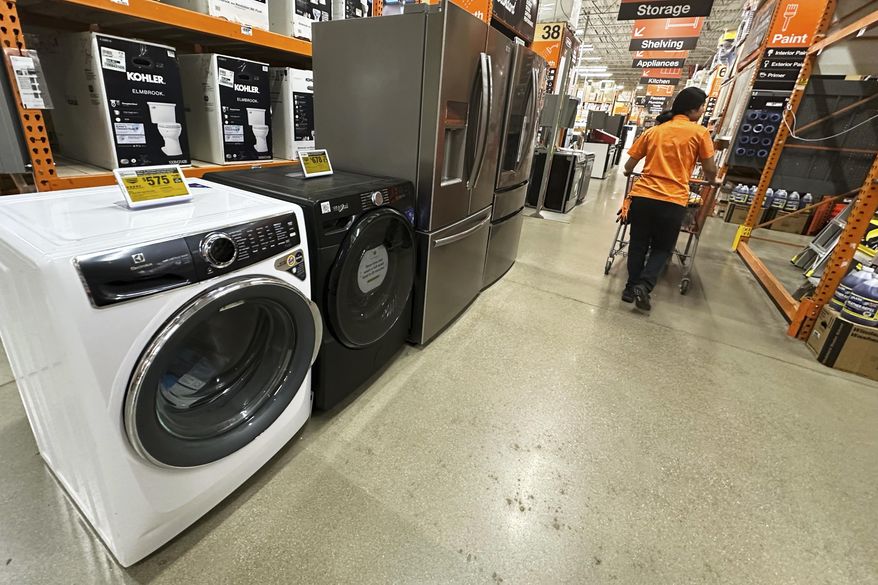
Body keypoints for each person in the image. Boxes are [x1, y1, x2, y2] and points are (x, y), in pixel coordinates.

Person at [620, 87, 720, 311]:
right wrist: (713, 181)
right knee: (662, 247)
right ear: (693, 109)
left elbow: (628, 166)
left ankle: (629, 288)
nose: (703, 111)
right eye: (702, 107)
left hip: (643, 196)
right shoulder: (699, 133)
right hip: (673, 200)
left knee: (637, 244)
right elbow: (709, 168)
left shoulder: (654, 132)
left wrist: (629, 173)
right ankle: (644, 286)